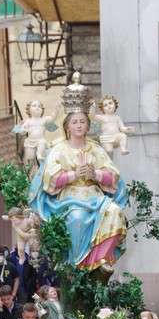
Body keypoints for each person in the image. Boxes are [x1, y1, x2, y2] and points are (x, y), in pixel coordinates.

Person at [28, 73, 128, 274]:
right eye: (75, 122)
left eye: (83, 121)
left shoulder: (95, 148)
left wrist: (96, 175)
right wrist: (73, 175)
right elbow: (50, 180)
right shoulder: (58, 149)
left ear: (88, 124)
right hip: (70, 198)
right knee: (77, 218)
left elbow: (113, 175)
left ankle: (101, 259)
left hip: (96, 197)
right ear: (67, 126)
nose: (79, 125)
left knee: (115, 212)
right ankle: (77, 265)